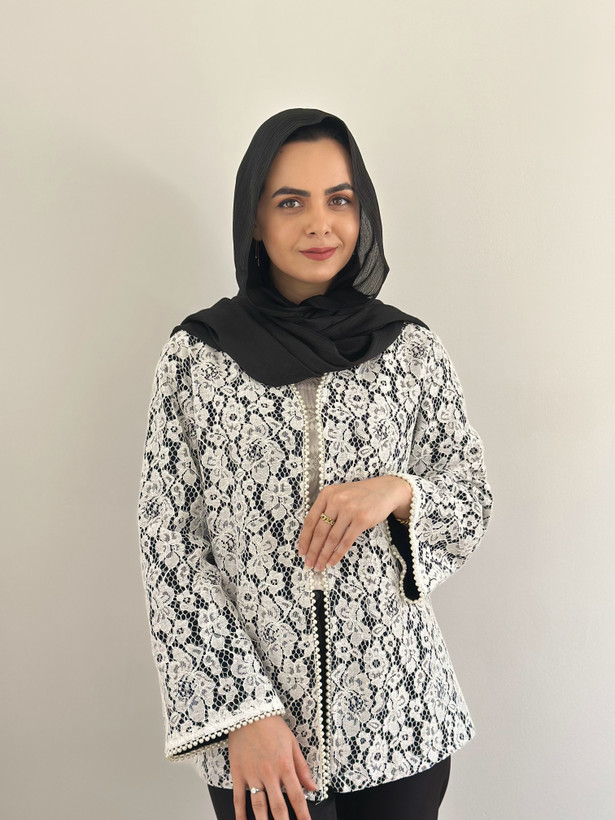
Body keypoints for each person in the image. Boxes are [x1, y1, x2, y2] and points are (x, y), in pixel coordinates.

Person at [137, 108, 493, 820]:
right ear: (255, 220)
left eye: (339, 199)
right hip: (259, 739)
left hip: (400, 719)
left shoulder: (410, 350)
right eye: (290, 202)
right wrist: (243, 713)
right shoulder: (198, 356)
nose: (320, 224)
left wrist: (397, 492)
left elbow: (471, 497)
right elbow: (170, 544)